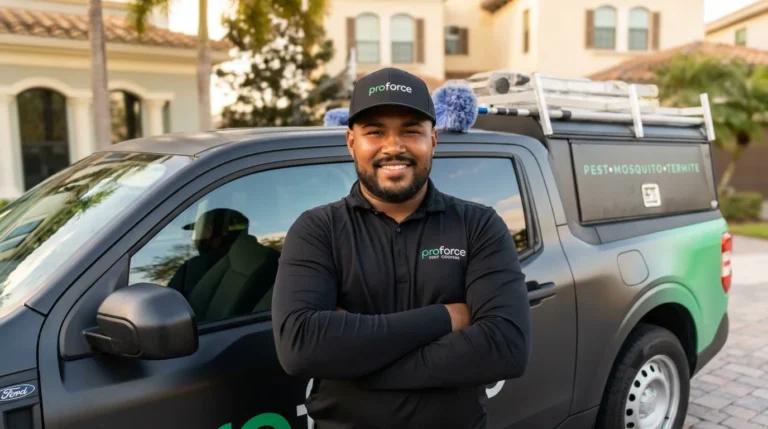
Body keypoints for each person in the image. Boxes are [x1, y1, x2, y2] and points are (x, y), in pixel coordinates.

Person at [271, 67, 532, 429]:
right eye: (375, 131)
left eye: (411, 131)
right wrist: (446, 317)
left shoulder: (479, 225)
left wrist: (357, 365)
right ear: (351, 142)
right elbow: (301, 347)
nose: (393, 147)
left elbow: (505, 347)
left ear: (433, 139)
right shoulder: (318, 230)